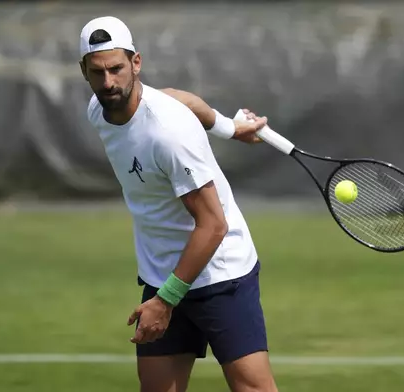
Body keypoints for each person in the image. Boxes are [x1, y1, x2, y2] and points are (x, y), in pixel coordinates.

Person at [79, 16, 279, 392]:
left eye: (117, 69)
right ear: (84, 71)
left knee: (253, 389)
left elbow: (213, 224)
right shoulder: (99, 107)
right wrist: (229, 127)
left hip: (220, 273)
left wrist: (165, 300)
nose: (108, 82)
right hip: (161, 274)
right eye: (98, 72)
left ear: (136, 63)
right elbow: (177, 95)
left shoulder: (167, 134)